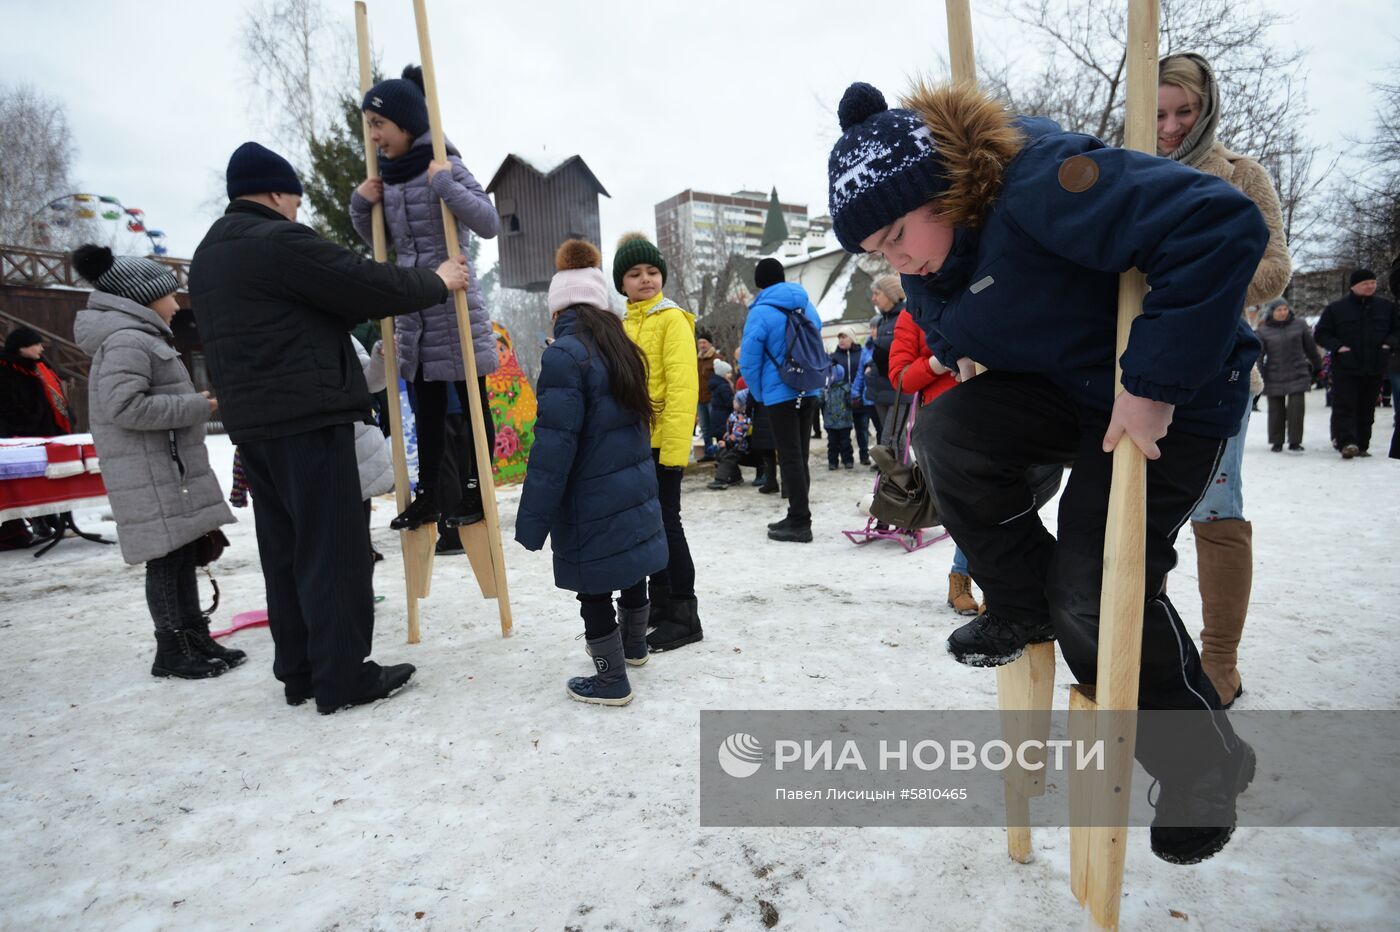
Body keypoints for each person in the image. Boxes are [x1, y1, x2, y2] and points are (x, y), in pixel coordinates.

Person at [827, 79, 1267, 864]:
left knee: (1096, 587)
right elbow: (953, 307)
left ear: (946, 188)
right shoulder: (927, 255)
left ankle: (1203, 762)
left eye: (895, 236)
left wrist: (1154, 383)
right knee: (954, 431)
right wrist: (960, 340)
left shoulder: (1039, 183)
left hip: (1171, 393)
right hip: (1072, 389)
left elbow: (1221, 225)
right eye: (875, 252)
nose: (891, 261)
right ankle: (1024, 601)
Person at [190, 140, 470, 714]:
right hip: (308, 418)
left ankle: (300, 670)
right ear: (275, 194)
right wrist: (437, 280)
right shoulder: (277, 240)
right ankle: (343, 676)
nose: (297, 210)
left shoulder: (211, 254)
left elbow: (314, 306)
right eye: (294, 199)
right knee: (334, 549)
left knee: (287, 552)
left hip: (255, 427)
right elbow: (365, 283)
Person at [1158, 53, 1290, 711]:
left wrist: (1205, 282)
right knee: (1129, 511)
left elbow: (1275, 267)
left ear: (1207, 108)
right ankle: (1142, 649)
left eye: (1185, 112)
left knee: (1215, 508)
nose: (1172, 127)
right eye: (1158, 114)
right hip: (1131, 374)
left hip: (1217, 373)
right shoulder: (1124, 171)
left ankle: (1218, 659)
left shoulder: (1243, 177)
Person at [71, 245, 240, 680]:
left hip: (165, 470)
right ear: (143, 298)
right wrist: (197, 408)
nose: (175, 305)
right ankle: (172, 648)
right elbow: (125, 407)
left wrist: (191, 402)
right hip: (149, 473)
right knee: (166, 561)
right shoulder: (127, 339)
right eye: (170, 296)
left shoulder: (139, 338)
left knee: (183, 554)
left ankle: (193, 636)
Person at [516, 240, 667, 705]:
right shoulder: (622, 347)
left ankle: (609, 679)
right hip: (633, 488)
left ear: (559, 305)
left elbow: (553, 447)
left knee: (594, 587)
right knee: (629, 571)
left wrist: (532, 520)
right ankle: (635, 647)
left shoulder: (565, 355)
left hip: (590, 496)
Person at [351, 65, 500, 530]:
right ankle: (430, 495)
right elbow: (382, 244)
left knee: (471, 399)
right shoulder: (388, 179)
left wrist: (444, 184)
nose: (373, 136)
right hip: (415, 308)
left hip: (454, 306)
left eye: (379, 125)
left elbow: (488, 222)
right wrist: (361, 204)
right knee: (427, 410)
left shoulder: (444, 163)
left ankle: (478, 487)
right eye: (368, 127)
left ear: (406, 122)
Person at [615, 233, 703, 650]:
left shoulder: (672, 320)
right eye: (635, 273)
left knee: (668, 524)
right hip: (632, 445)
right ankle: (662, 606)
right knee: (648, 530)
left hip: (660, 445)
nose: (645, 279)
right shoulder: (624, 324)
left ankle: (685, 614)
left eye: (652, 271)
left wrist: (672, 452)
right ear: (622, 283)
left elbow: (684, 390)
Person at [886, 303, 974, 614]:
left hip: (994, 412)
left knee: (997, 502)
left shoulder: (976, 297)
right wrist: (939, 363)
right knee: (967, 506)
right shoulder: (913, 314)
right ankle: (961, 577)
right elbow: (901, 378)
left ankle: (992, 582)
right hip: (945, 424)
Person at [739, 257, 826, 543]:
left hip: (779, 394)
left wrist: (762, 394)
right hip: (808, 388)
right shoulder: (806, 305)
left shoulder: (761, 312)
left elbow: (749, 362)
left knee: (788, 456)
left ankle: (800, 521)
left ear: (759, 283)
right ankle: (797, 511)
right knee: (799, 455)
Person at [1314, 269, 1400, 458]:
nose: (1370, 286)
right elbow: (1321, 333)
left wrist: (1389, 344)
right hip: (1346, 367)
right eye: (1366, 283)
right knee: (1345, 405)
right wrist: (1338, 347)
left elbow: (1397, 330)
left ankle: (1362, 443)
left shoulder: (1386, 307)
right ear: (1354, 286)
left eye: (1373, 282)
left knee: (1367, 406)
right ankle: (1347, 442)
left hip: (1376, 366)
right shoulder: (1336, 309)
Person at [1255, 298, 1321, 453]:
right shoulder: (1263, 331)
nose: (1282, 312)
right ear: (1272, 312)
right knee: (1276, 411)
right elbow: (1259, 355)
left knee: (1296, 409)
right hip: (1274, 374)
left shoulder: (1300, 325)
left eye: (1285, 309)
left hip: (1297, 372)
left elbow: (1310, 347)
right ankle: (1276, 441)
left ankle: (1295, 441)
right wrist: (1258, 372)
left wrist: (1318, 366)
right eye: (1279, 310)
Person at [0, 326, 71, 438]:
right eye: (37, 345)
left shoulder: (41, 366)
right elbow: (6, 405)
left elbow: (56, 396)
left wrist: (69, 416)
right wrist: (31, 421)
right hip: (22, 437)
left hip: (53, 432)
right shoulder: (6, 369)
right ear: (22, 347)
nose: (41, 349)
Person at [867, 275, 906, 440]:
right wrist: (868, 366)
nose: (873, 298)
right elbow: (880, 350)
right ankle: (904, 466)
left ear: (890, 294)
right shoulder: (883, 320)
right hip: (880, 387)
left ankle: (898, 467)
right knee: (894, 439)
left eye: (877, 293)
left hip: (898, 389)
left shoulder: (906, 316)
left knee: (890, 439)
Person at [829, 327, 869, 464]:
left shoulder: (862, 354)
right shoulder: (834, 357)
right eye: (839, 337)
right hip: (841, 402)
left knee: (862, 428)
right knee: (842, 432)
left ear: (852, 338)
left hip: (859, 398)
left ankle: (864, 455)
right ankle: (846, 458)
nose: (841, 340)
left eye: (844, 336)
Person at [709, 389, 753, 490]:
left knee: (728, 457)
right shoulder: (735, 414)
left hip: (739, 446)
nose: (733, 402)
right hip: (733, 444)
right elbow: (732, 428)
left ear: (743, 404)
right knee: (720, 454)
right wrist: (727, 434)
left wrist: (727, 442)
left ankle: (720, 480)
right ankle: (735, 477)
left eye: (736, 401)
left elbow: (738, 434)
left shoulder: (743, 418)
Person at [851, 321, 882, 459]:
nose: (873, 330)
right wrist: (855, 392)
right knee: (877, 429)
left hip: (883, 395)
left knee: (884, 430)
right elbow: (860, 373)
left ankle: (885, 461)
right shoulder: (867, 347)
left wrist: (872, 365)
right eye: (871, 327)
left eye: (875, 327)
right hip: (868, 397)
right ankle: (882, 460)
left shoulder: (888, 343)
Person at [823, 364, 855, 469]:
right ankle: (833, 462)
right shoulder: (826, 389)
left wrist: (852, 397)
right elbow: (819, 402)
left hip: (845, 422)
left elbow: (852, 403)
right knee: (832, 444)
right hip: (830, 423)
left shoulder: (846, 388)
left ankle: (848, 460)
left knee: (845, 443)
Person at [696, 330, 720, 461]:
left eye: (704, 342)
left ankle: (719, 452)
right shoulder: (696, 360)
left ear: (710, 343)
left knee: (715, 425)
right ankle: (708, 452)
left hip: (712, 398)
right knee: (705, 428)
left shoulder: (717, 359)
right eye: (700, 342)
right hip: (700, 399)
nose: (702, 345)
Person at [708, 358, 735, 459]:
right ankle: (724, 460)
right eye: (728, 373)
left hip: (716, 416)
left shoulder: (716, 385)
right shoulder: (724, 386)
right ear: (722, 374)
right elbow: (728, 402)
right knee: (724, 441)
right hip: (723, 417)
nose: (730, 375)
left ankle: (719, 458)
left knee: (720, 441)